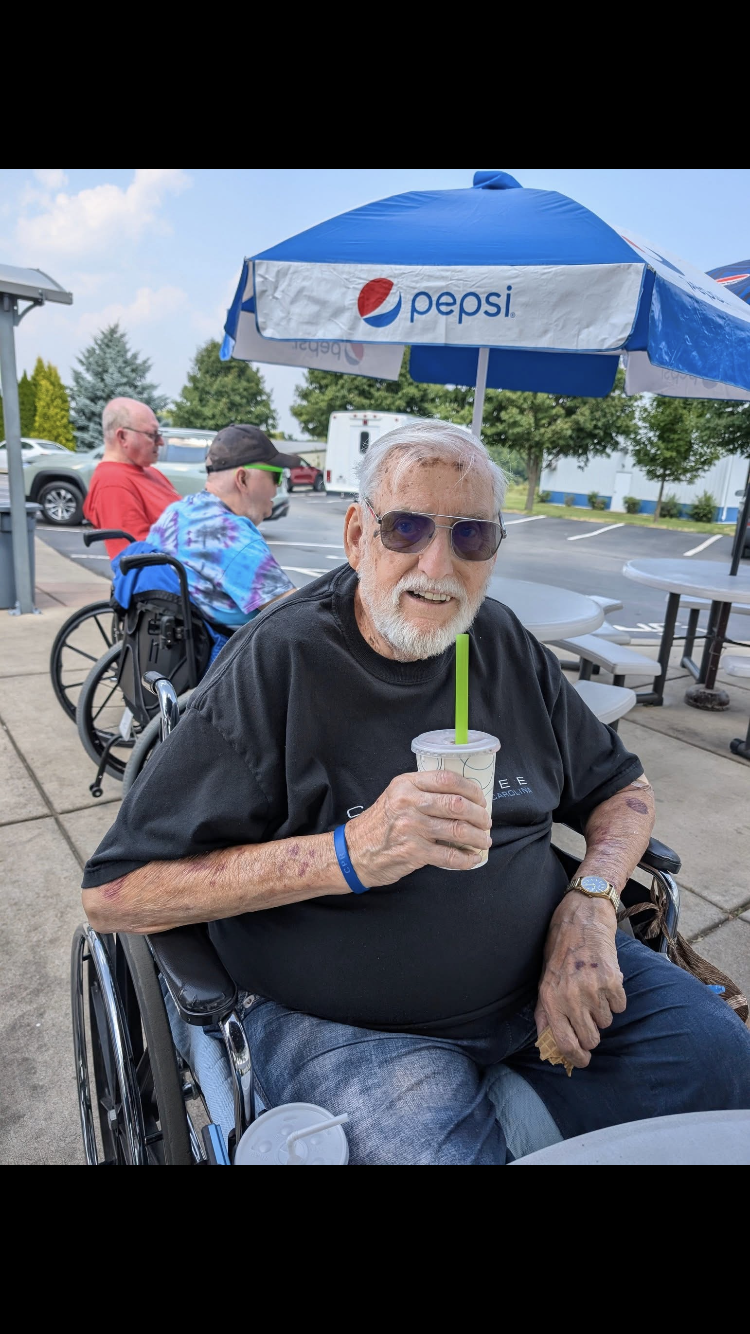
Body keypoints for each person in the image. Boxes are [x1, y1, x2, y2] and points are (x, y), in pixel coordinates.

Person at [81, 420, 750, 1165]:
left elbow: (622, 790)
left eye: (472, 536)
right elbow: (117, 892)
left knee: (725, 1061)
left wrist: (591, 901)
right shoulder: (279, 663)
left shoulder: (500, 642)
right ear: (356, 534)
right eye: (405, 528)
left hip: (548, 974)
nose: (438, 563)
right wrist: (348, 853)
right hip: (349, 1024)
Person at [145, 424, 303, 627]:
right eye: (276, 476)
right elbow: (295, 613)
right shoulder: (230, 535)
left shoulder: (176, 513)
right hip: (231, 655)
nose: (278, 486)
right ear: (242, 479)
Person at [83, 398, 180, 559]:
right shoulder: (113, 483)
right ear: (122, 437)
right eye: (152, 435)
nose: (160, 442)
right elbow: (138, 560)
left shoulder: (150, 472)